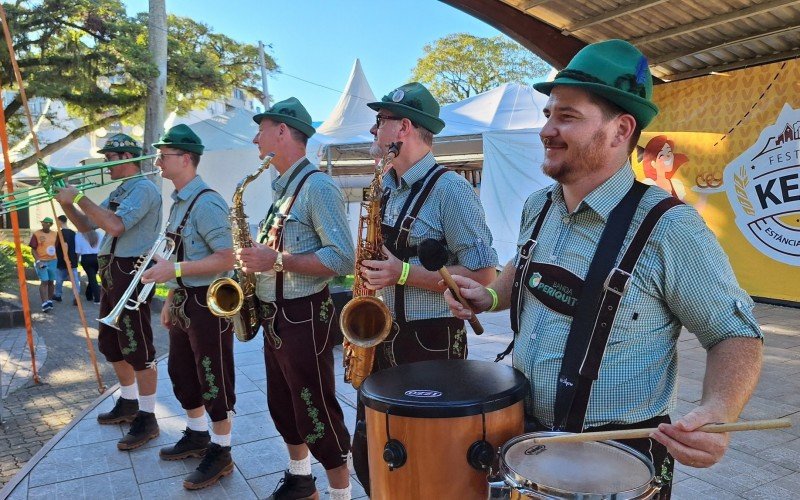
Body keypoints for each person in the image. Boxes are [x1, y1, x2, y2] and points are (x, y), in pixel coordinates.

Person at [444, 40, 763, 498]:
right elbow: (524, 268)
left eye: (567, 117)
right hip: (525, 440)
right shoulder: (538, 206)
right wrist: (491, 296)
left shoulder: (669, 228)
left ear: (620, 130)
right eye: (548, 114)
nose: (547, 130)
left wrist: (719, 408)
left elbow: (735, 333)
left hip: (621, 460)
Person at [352, 82, 499, 490]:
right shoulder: (386, 189)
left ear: (403, 128)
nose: (372, 130)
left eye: (378, 122)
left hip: (430, 341)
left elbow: (485, 274)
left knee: (430, 453)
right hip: (382, 334)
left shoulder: (451, 190)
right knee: (377, 447)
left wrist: (403, 274)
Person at [238, 97, 354, 500]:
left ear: (282, 132)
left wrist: (277, 259)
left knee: (315, 404)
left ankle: (341, 494)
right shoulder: (282, 188)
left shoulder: (317, 186)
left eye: (262, 129)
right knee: (283, 401)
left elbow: (342, 257)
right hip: (277, 313)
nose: (256, 139)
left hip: (303, 312)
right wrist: (256, 258)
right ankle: (301, 478)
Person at [140, 124, 237, 491]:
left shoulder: (207, 202)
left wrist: (174, 271)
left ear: (185, 159)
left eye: (163, 155)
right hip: (185, 300)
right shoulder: (180, 199)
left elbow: (228, 258)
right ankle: (198, 435)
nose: (158, 161)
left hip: (209, 302)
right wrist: (171, 296)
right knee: (182, 372)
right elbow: (179, 252)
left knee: (214, 376)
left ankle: (222, 450)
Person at [54, 133, 162, 451]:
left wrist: (79, 196)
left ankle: (148, 415)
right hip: (113, 271)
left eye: (110, 158)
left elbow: (115, 226)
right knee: (112, 344)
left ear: (124, 158)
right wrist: (68, 204)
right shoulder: (122, 190)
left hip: (131, 272)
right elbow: (88, 225)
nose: (106, 164)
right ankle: (129, 402)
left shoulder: (143, 188)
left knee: (138, 347)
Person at [641, 135, 688, 200]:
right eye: (662, 155)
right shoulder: (648, 184)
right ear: (653, 163)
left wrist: (703, 196)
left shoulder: (676, 185)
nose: (669, 157)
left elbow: (686, 209)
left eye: (669, 153)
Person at [29, 217, 57, 312]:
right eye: (44, 223)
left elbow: (57, 246)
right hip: (42, 261)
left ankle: (49, 301)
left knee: (51, 281)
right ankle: (44, 303)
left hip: (53, 260)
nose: (45, 225)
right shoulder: (37, 234)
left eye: (47, 223)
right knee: (44, 281)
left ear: (51, 225)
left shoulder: (55, 234)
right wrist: (38, 261)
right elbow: (33, 249)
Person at [53, 215, 80, 305]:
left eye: (57, 221)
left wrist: (65, 257)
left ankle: (58, 295)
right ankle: (76, 296)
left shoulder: (61, 233)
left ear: (60, 221)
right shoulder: (73, 233)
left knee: (59, 279)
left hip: (63, 260)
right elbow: (76, 246)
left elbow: (65, 245)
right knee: (74, 280)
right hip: (73, 259)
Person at [75, 228, 101, 304]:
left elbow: (77, 251)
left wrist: (76, 262)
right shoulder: (98, 233)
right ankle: (88, 295)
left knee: (92, 278)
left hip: (86, 258)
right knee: (92, 277)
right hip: (97, 257)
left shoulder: (79, 234)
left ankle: (97, 298)